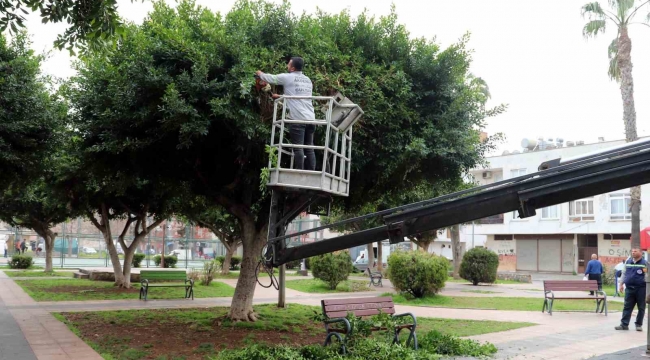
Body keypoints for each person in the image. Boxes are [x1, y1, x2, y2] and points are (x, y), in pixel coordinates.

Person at [256, 57, 316, 170]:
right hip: (311, 117)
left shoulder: (287, 77)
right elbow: (299, 96)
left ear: (293, 68)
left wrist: (260, 73)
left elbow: (271, 78)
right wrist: (281, 97)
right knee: (309, 147)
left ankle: (300, 174)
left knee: (298, 148)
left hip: (297, 118)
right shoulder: (308, 80)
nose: (287, 66)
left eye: (288, 64)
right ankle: (310, 172)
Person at [616, 248, 648, 331]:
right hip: (629, 288)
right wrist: (621, 284)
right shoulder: (628, 262)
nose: (633, 253)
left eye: (635, 251)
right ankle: (624, 325)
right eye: (632, 251)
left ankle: (638, 325)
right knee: (627, 306)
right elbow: (624, 273)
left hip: (641, 289)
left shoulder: (645, 263)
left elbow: (647, 275)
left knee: (641, 307)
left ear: (641, 253)